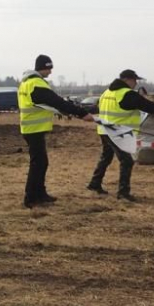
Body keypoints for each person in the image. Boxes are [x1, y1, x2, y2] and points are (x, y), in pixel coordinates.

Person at [86, 69, 154, 202]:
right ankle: (123, 193)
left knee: (106, 158)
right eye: (134, 80)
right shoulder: (127, 94)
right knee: (126, 161)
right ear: (126, 80)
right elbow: (148, 106)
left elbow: (98, 109)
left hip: (104, 131)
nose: (136, 83)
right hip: (118, 133)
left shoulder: (106, 93)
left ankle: (94, 184)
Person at [18, 54, 94, 208]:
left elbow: (47, 104)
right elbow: (57, 101)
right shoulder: (37, 84)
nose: (50, 72)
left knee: (41, 163)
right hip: (34, 129)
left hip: (30, 128)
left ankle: (40, 194)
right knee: (38, 164)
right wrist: (81, 113)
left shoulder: (26, 83)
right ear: (43, 67)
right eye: (49, 68)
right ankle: (31, 198)